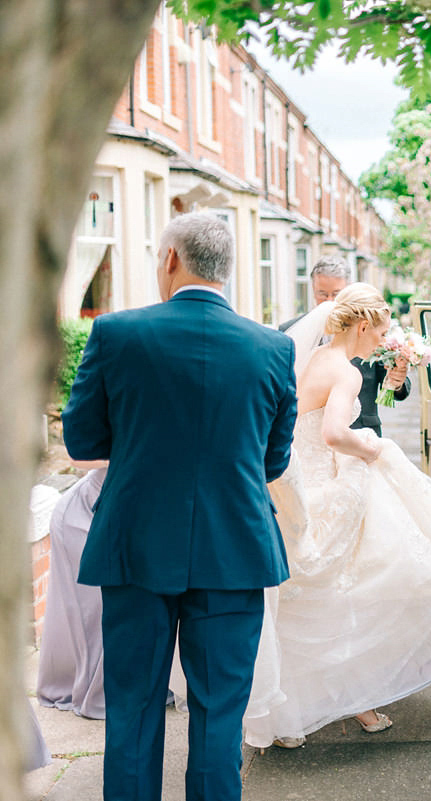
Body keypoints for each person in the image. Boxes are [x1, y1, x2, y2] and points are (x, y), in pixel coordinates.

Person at [62, 211, 297, 801]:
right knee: (220, 715)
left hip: (135, 547)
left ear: (170, 259)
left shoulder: (115, 334)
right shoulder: (273, 348)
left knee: (134, 708)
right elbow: (273, 461)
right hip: (234, 550)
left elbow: (82, 442)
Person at [243, 283, 431, 750]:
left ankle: (288, 716)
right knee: (358, 587)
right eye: (380, 332)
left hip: (295, 481)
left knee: (300, 600)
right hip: (328, 482)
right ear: (361, 325)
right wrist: (369, 449)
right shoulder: (346, 373)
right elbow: (334, 433)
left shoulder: (313, 359)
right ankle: (359, 700)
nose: (380, 341)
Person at [279, 255, 409, 436]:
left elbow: (393, 382)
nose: (329, 301)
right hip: (311, 439)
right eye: (322, 294)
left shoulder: (373, 328)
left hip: (361, 431)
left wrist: (397, 381)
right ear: (313, 289)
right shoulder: (290, 331)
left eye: (336, 294)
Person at [37, 464, 108, 719]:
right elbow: (81, 455)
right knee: (93, 611)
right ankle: (95, 688)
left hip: (138, 505)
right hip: (83, 515)